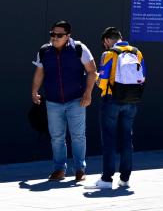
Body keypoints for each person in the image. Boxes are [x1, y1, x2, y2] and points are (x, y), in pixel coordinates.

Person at [31, 20, 97, 182]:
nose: (54, 37)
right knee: (57, 137)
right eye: (52, 34)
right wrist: (34, 91)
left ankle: (80, 169)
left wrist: (88, 94)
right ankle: (59, 169)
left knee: (78, 136)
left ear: (68, 36)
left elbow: (92, 71)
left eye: (59, 35)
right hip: (53, 101)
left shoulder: (79, 49)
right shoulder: (44, 51)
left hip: (76, 100)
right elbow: (40, 72)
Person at [90, 27, 145, 190]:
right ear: (121, 37)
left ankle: (107, 179)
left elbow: (104, 81)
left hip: (111, 101)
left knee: (109, 140)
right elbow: (143, 76)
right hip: (131, 101)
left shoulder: (109, 54)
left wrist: (96, 79)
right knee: (127, 139)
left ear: (107, 40)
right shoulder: (137, 53)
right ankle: (125, 178)